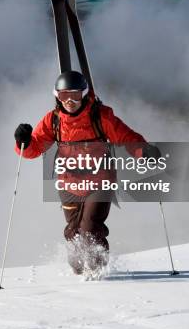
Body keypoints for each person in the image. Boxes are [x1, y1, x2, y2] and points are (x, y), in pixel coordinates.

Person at [14, 70, 152, 276]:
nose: (69, 101)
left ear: (85, 94)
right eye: (63, 96)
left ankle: (97, 270)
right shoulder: (53, 120)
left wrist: (143, 151)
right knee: (72, 233)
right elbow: (33, 150)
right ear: (57, 96)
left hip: (100, 181)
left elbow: (125, 137)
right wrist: (22, 142)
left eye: (75, 96)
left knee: (89, 228)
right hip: (69, 184)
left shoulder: (100, 116)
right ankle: (79, 270)